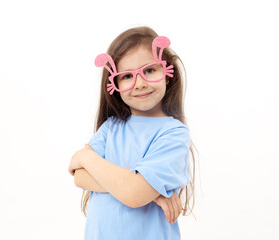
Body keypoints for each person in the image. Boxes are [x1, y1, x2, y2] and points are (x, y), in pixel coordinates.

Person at [68, 26, 196, 240]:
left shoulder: (173, 134)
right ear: (114, 84)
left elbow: (135, 194)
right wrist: (150, 192)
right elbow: (80, 176)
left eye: (149, 70)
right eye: (127, 76)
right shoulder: (111, 127)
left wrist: (84, 156)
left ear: (167, 73)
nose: (139, 83)